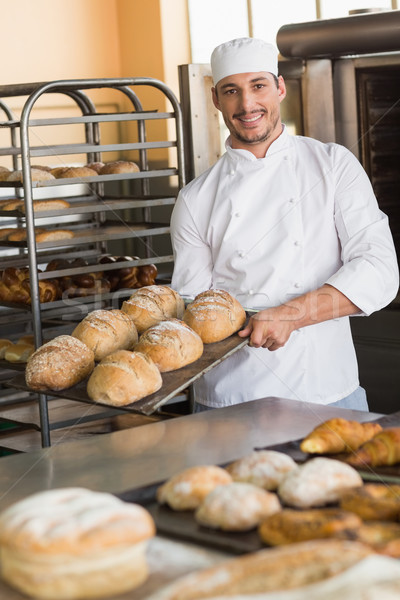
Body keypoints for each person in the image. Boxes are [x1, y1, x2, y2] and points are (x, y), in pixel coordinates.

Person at [170, 37, 399, 412]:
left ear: (279, 88)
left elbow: (380, 271)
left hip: (327, 389)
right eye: (232, 91)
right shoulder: (195, 199)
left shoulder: (332, 166)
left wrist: (290, 316)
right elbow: (194, 307)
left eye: (258, 86)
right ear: (215, 100)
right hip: (230, 399)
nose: (247, 105)